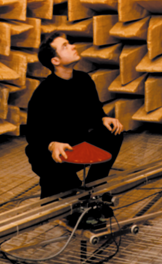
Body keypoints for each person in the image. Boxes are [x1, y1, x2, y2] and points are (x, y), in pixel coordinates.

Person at [25, 31, 124, 199]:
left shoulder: (83, 80)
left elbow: (94, 110)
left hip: (77, 144)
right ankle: (60, 188)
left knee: (113, 132)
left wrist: (103, 118)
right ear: (55, 61)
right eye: (65, 46)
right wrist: (52, 144)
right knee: (67, 196)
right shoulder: (44, 93)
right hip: (51, 154)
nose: (73, 46)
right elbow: (33, 134)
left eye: (69, 43)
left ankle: (96, 184)